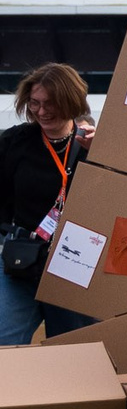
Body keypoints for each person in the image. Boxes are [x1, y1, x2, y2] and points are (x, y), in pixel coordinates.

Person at [1, 63, 95, 345]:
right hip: (21, 260)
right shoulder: (15, 141)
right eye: (34, 103)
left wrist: (102, 156)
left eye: (50, 103)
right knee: (6, 342)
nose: (41, 112)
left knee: (73, 350)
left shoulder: (96, 145)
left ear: (71, 100)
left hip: (75, 266)